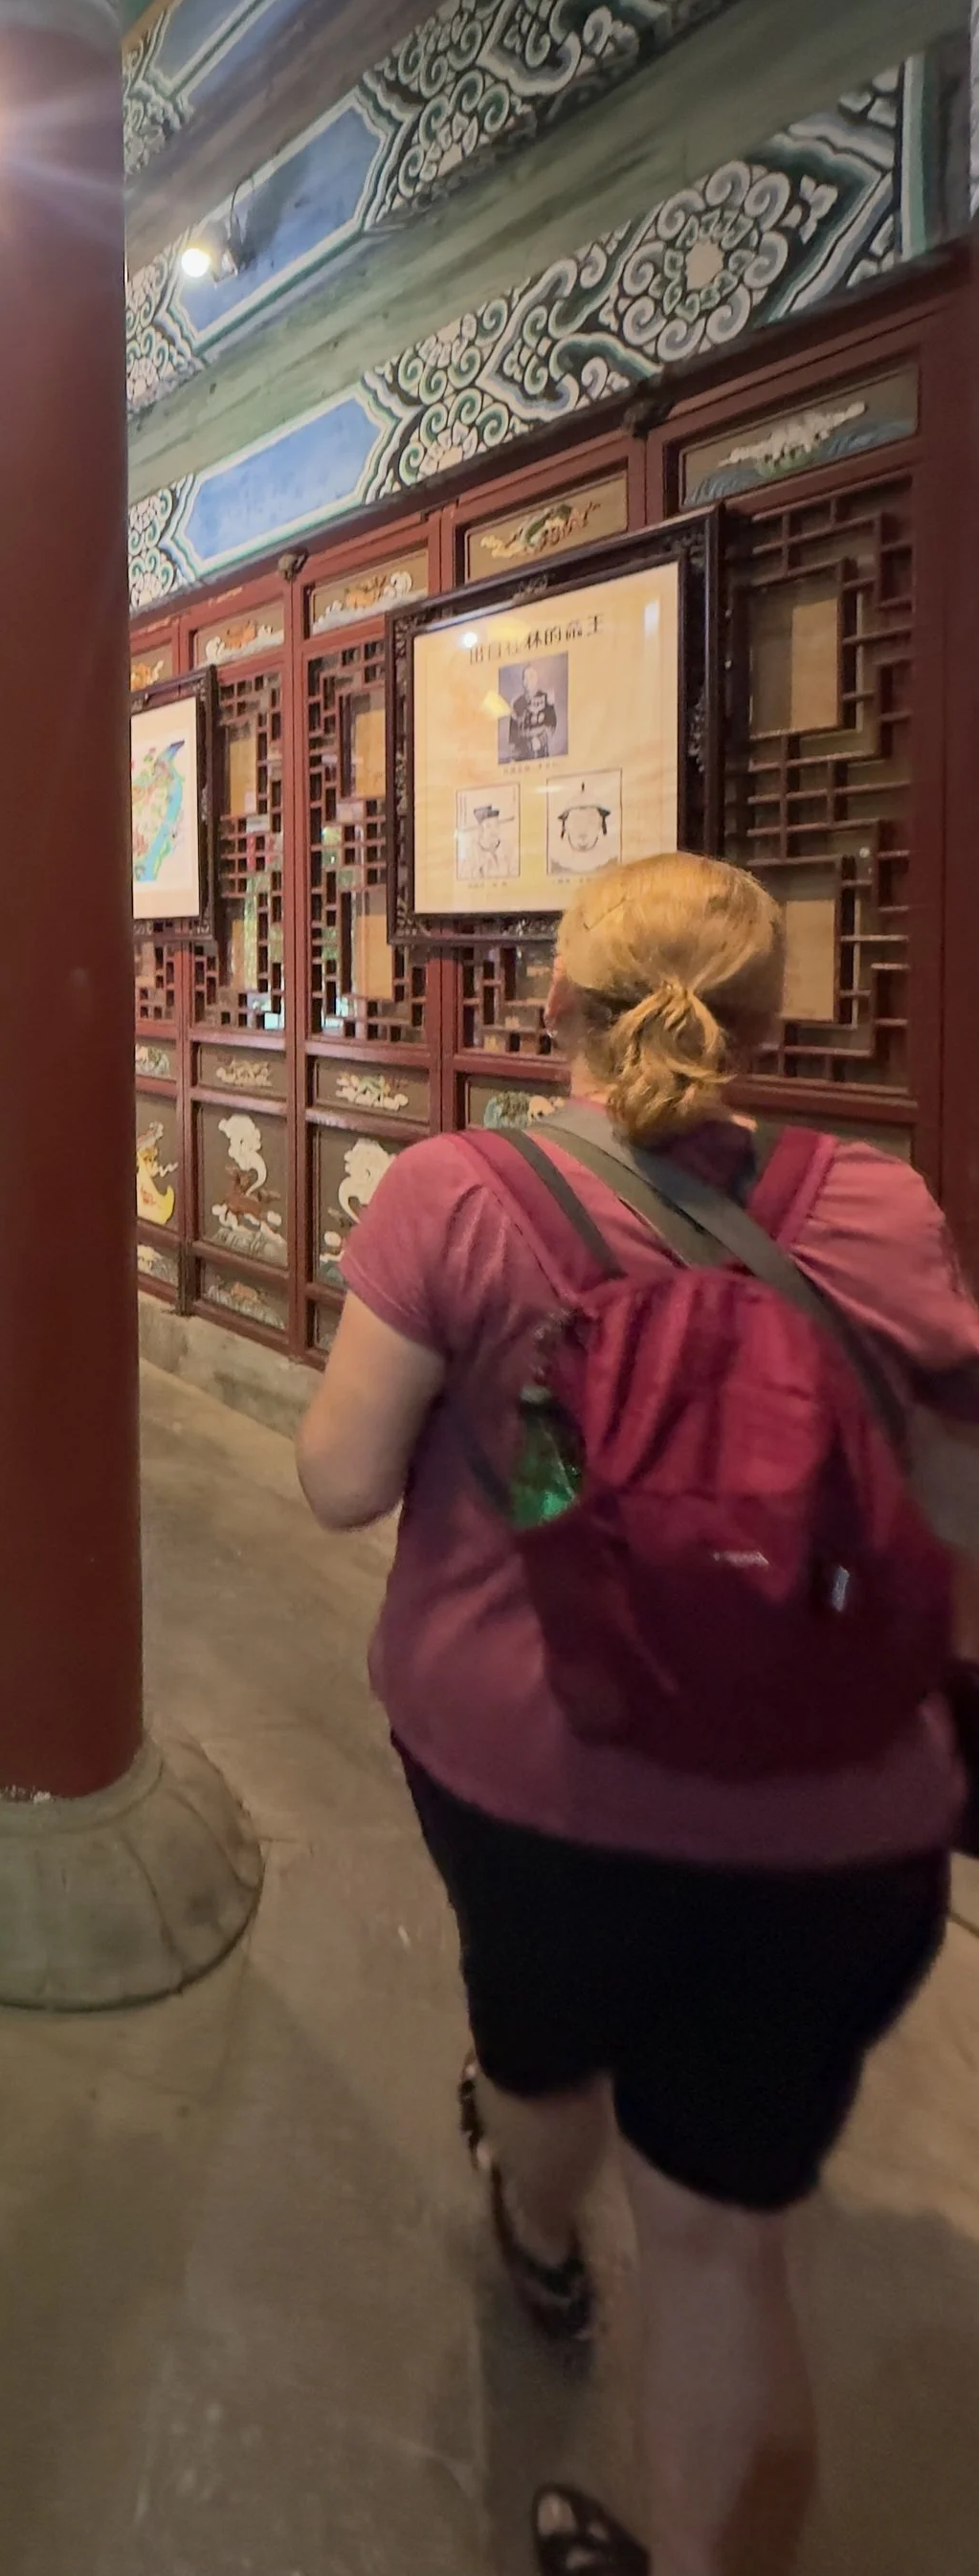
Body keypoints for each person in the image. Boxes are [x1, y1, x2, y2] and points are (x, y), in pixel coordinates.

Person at [295, 853, 979, 2576]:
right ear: (771, 1020)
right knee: (727, 2245)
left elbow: (339, 1480)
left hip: (537, 1786)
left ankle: (534, 2232)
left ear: (554, 1008)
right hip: (839, 1823)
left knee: (541, 2050)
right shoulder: (877, 1206)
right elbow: (956, 1507)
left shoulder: (457, 1195)